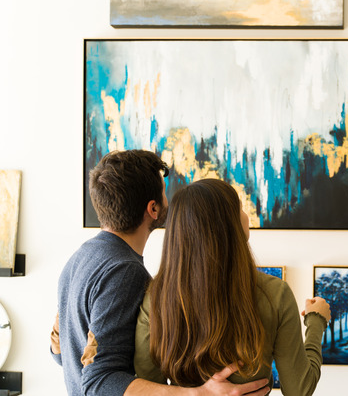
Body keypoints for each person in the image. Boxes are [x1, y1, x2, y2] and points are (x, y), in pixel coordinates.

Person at [51, 150, 269, 396]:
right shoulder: (125, 272)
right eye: (164, 194)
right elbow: (98, 382)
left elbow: (61, 353)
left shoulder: (77, 259)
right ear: (153, 209)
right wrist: (198, 394)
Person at [134, 179, 331, 395]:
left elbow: (148, 385)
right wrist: (316, 321)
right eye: (241, 209)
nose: (247, 217)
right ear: (227, 226)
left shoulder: (156, 296)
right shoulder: (275, 293)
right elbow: (299, 389)